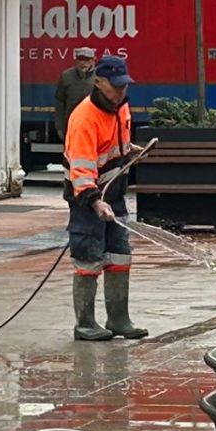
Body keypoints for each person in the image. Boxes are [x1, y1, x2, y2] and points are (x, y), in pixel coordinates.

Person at [62, 55, 149, 344]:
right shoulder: (84, 118)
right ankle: (85, 324)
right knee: (88, 257)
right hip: (86, 199)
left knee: (120, 254)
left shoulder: (121, 107)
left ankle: (119, 319)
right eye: (115, 86)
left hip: (115, 193)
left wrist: (130, 150)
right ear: (98, 82)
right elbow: (82, 167)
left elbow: (112, 145)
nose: (121, 91)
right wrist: (94, 201)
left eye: (124, 85)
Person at [53, 47, 97, 142]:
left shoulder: (99, 77)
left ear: (93, 60)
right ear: (75, 60)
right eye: (80, 59)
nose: (82, 63)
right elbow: (60, 101)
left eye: (86, 60)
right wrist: (59, 126)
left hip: (93, 124)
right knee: (71, 154)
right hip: (71, 124)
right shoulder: (66, 76)